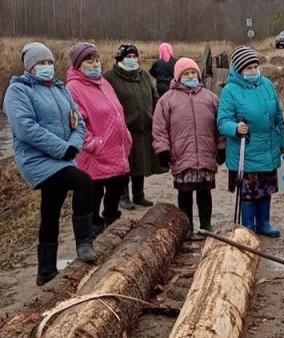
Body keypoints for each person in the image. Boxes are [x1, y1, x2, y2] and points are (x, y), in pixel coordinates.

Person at [3, 42, 97, 286]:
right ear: (29, 67)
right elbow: (26, 129)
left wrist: (74, 145)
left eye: (49, 63)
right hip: (37, 160)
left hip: (63, 156)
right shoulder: (18, 91)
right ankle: (84, 243)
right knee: (84, 182)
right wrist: (62, 148)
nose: (46, 67)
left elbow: (79, 123)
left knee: (51, 210)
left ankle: (45, 270)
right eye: (40, 63)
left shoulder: (60, 89)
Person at [217, 46, 284, 237]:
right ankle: (248, 226)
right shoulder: (230, 91)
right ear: (239, 70)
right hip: (246, 151)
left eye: (255, 66)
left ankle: (264, 223)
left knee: (265, 190)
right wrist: (235, 128)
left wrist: (283, 141)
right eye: (248, 67)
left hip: (268, 148)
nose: (253, 70)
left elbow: (278, 117)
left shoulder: (267, 85)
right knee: (249, 192)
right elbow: (222, 122)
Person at [153, 57, 225, 237]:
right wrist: (162, 149)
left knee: (204, 192)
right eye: (186, 73)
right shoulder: (167, 100)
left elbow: (220, 124)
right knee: (184, 194)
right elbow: (159, 127)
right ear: (178, 76)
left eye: (193, 73)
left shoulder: (210, 98)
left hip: (206, 154)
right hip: (181, 155)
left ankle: (206, 225)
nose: (191, 76)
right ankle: (187, 227)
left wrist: (222, 146)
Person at [66, 42, 132, 236]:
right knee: (94, 193)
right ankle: (93, 231)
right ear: (78, 64)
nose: (95, 64)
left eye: (97, 60)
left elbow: (117, 111)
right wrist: (93, 144)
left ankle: (112, 227)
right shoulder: (73, 88)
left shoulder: (104, 83)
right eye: (89, 61)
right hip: (94, 153)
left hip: (116, 149)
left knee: (116, 188)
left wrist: (126, 137)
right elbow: (76, 123)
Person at [103, 43, 166, 210]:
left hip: (144, 127)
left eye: (134, 56)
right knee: (125, 165)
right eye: (128, 57)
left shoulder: (143, 75)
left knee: (141, 162)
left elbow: (154, 96)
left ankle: (139, 195)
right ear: (120, 59)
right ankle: (123, 196)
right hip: (123, 129)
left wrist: (155, 113)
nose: (132, 60)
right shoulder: (110, 77)